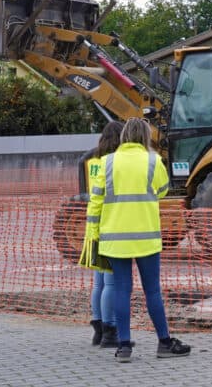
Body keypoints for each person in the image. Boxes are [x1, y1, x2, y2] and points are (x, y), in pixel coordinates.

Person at [85, 118, 191, 363]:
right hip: (146, 238)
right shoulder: (153, 161)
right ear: (145, 136)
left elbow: (96, 201)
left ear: (124, 136)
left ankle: (123, 346)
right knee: (152, 291)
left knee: (121, 290)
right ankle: (164, 341)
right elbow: (163, 189)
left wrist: (93, 235)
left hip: (115, 239)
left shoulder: (106, 162)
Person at [81, 121, 123, 348]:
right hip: (111, 225)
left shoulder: (94, 162)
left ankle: (97, 328)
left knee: (98, 283)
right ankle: (110, 330)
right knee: (111, 283)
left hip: (94, 225)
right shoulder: (114, 164)